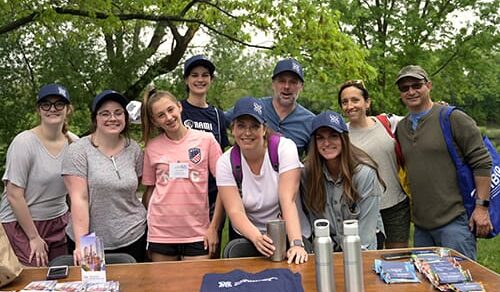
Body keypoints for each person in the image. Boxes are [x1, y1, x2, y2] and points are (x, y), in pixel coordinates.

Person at [395, 65, 492, 259]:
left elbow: (482, 162)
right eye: (405, 88)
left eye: (416, 85)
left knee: (460, 285)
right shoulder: (402, 128)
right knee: (426, 285)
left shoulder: (452, 118)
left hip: (455, 222)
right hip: (422, 228)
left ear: (429, 85)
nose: (411, 91)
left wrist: (481, 208)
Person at [217, 96, 308, 264]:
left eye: (254, 126)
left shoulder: (284, 148)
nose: (247, 133)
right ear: (233, 129)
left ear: (264, 129)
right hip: (251, 235)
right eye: (241, 126)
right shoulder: (225, 162)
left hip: (288, 230)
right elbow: (235, 211)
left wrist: (296, 243)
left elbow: (288, 200)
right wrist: (257, 238)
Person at [62, 90, 147, 264]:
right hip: (92, 242)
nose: (112, 118)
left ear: (126, 117)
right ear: (95, 119)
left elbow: (135, 185)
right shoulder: (78, 150)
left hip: (133, 236)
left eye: (118, 113)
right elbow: (79, 198)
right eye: (105, 113)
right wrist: (82, 242)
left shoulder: (134, 149)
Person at [141, 88, 223, 262]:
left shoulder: (206, 140)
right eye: (161, 115)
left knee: (198, 286)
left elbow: (225, 186)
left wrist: (213, 227)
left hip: (197, 232)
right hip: (161, 234)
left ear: (179, 107)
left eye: (171, 110)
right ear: (155, 121)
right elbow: (149, 191)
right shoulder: (152, 147)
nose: (169, 117)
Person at [1, 83, 77, 266]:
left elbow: (77, 191)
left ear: (68, 109)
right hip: (22, 223)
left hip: (58, 222)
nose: (53, 109)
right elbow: (14, 195)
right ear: (39, 110)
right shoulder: (24, 143)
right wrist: (33, 237)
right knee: (35, 277)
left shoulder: (74, 143)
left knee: (61, 276)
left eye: (59, 104)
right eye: (46, 104)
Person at [338, 80, 410, 249]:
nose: (350, 106)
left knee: (397, 260)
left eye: (355, 100)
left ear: (367, 103)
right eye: (345, 102)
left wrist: (437, 107)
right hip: (363, 209)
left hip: (395, 206)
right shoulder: (341, 135)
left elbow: (419, 117)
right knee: (368, 260)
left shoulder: (388, 123)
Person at [301, 111, 384, 251]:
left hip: (363, 247)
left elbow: (366, 232)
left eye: (333, 136)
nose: (326, 143)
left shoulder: (364, 173)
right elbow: (316, 222)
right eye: (320, 138)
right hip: (327, 247)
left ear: (343, 139)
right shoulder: (307, 173)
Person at [181, 55, 230, 257]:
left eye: (205, 75)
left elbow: (222, 154)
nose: (200, 80)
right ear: (186, 80)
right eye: (194, 75)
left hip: (211, 198)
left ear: (211, 79)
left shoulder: (218, 115)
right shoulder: (177, 110)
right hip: (183, 196)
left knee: (208, 256)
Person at [225, 58, 315, 156]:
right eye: (281, 81)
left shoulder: (310, 122)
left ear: (301, 86)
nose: (286, 86)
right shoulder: (254, 107)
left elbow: (314, 161)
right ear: (273, 84)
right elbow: (219, 120)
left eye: (293, 82)